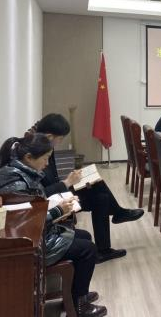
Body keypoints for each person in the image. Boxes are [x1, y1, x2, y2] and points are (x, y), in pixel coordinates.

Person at [0, 134, 108, 317]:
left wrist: (60, 207)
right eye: (45, 159)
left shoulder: (21, 172)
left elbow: (34, 207)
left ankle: (76, 294)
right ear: (28, 158)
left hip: (40, 233)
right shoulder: (16, 182)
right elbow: (27, 220)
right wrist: (59, 211)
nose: (47, 164)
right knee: (88, 249)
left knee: (84, 236)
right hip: (32, 242)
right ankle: (80, 306)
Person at [33, 114, 144, 263]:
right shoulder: (36, 154)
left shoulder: (43, 147)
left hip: (58, 195)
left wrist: (70, 181)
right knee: (100, 197)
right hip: (54, 204)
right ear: (49, 136)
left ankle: (105, 247)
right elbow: (40, 194)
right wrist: (67, 182)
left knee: (100, 194)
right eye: (60, 139)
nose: (60, 143)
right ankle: (118, 215)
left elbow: (51, 180)